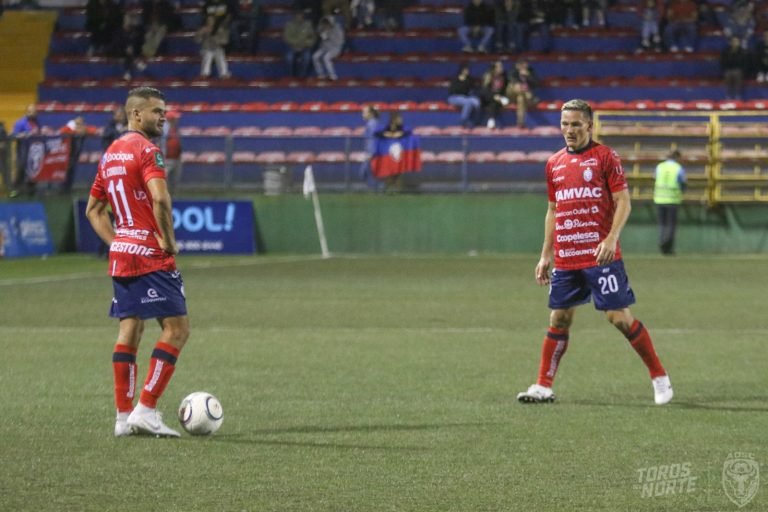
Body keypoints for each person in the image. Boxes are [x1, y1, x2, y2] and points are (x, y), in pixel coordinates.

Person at [516, 98, 673, 406]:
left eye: (576, 124)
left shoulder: (605, 157)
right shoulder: (554, 164)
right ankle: (543, 386)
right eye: (564, 124)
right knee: (559, 318)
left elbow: (624, 201)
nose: (569, 130)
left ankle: (659, 376)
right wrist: (545, 254)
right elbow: (553, 210)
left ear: (589, 125)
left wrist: (612, 238)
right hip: (566, 256)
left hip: (600, 255)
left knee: (618, 318)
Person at [85, 86, 190, 437]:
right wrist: (169, 241)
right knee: (176, 330)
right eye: (157, 111)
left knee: (130, 329)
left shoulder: (111, 153)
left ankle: (122, 417)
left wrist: (119, 243)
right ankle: (145, 408)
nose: (163, 117)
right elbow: (160, 199)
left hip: (123, 255)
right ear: (136, 115)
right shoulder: (148, 151)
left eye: (164, 111)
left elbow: (93, 210)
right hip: (150, 254)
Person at [653, 149, 686, 255]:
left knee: (662, 224)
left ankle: (662, 241)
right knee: (671, 225)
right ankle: (668, 246)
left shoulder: (659, 167)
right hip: (673, 199)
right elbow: (683, 183)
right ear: (677, 157)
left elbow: (655, 178)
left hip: (659, 199)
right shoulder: (678, 168)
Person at [9, 104, 41, 198]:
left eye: (34, 111)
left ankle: (31, 190)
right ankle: (15, 189)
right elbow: (13, 135)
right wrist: (24, 134)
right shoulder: (20, 122)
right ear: (27, 112)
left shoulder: (37, 122)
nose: (33, 113)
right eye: (31, 111)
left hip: (34, 151)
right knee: (21, 168)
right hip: (23, 149)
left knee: (33, 169)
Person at [282, 9, 316, 78]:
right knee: (289, 58)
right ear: (294, 16)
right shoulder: (289, 25)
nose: (299, 17)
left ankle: (302, 76)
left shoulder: (308, 24)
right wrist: (298, 42)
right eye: (297, 15)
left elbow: (313, 38)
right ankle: (291, 76)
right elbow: (287, 38)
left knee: (307, 57)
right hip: (293, 47)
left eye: (301, 15)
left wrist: (306, 43)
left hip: (305, 47)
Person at [447, 63, 482, 128]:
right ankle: (463, 121)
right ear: (462, 70)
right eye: (466, 70)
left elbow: (474, 88)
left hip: (465, 97)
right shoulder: (455, 79)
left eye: (468, 70)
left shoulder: (470, 79)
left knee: (476, 102)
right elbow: (453, 91)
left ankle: (476, 121)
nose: (468, 71)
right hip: (454, 97)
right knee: (468, 103)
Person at [507, 58, 539, 128]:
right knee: (516, 86)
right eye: (522, 65)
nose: (524, 67)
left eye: (525, 65)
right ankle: (528, 95)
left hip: (522, 97)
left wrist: (528, 76)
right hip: (513, 96)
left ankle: (520, 122)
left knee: (521, 98)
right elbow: (511, 80)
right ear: (518, 65)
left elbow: (536, 84)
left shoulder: (530, 71)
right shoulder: (513, 71)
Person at [312, 15, 344, 81]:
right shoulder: (321, 28)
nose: (325, 25)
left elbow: (340, 42)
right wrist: (321, 33)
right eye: (324, 23)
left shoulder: (337, 29)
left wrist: (329, 37)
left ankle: (332, 75)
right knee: (315, 56)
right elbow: (317, 33)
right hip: (324, 47)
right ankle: (321, 74)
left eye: (327, 24)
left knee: (326, 57)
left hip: (335, 48)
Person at [479, 60, 509, 129]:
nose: (502, 68)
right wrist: (494, 96)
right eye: (499, 67)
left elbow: (505, 89)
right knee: (493, 102)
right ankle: (491, 119)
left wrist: (501, 97)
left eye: (501, 66)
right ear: (494, 68)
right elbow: (484, 91)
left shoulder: (504, 76)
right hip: (487, 98)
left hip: (498, 98)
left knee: (495, 103)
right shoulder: (488, 76)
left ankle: (491, 119)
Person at [358, 104, 381, 188]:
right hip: (370, 152)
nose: (362, 114)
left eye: (364, 112)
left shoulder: (372, 124)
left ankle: (376, 191)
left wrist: (371, 154)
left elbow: (373, 139)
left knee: (366, 173)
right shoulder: (372, 123)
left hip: (372, 153)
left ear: (371, 114)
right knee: (366, 173)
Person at [721, 35, 750, 100]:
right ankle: (728, 95)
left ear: (739, 42)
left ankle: (738, 95)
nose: (735, 43)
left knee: (737, 73)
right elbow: (723, 62)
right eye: (733, 41)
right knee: (728, 74)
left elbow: (744, 63)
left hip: (739, 70)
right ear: (730, 42)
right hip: (728, 69)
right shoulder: (726, 51)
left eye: (736, 41)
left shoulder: (742, 51)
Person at [161, 109, 182, 192]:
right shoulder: (164, 128)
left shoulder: (175, 128)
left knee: (174, 181)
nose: (177, 120)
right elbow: (161, 143)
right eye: (175, 118)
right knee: (165, 181)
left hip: (176, 158)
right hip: (166, 159)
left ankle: (174, 198)